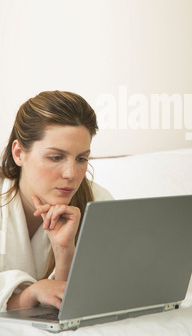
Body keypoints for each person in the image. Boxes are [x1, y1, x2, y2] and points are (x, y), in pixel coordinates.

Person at [0, 90, 113, 312]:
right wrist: (30, 293)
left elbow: (79, 302)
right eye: (56, 157)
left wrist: (64, 253)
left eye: (81, 158)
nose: (71, 174)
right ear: (19, 153)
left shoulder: (98, 204)